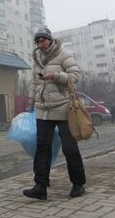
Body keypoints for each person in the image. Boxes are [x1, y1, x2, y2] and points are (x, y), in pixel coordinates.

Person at [24, 26, 85, 201]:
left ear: (50, 39)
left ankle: (78, 184)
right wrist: (31, 105)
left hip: (63, 108)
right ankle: (40, 187)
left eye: (42, 40)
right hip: (43, 110)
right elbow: (35, 84)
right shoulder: (37, 58)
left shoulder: (63, 54)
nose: (40, 44)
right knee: (42, 148)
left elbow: (75, 76)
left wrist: (56, 76)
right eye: (37, 41)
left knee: (69, 148)